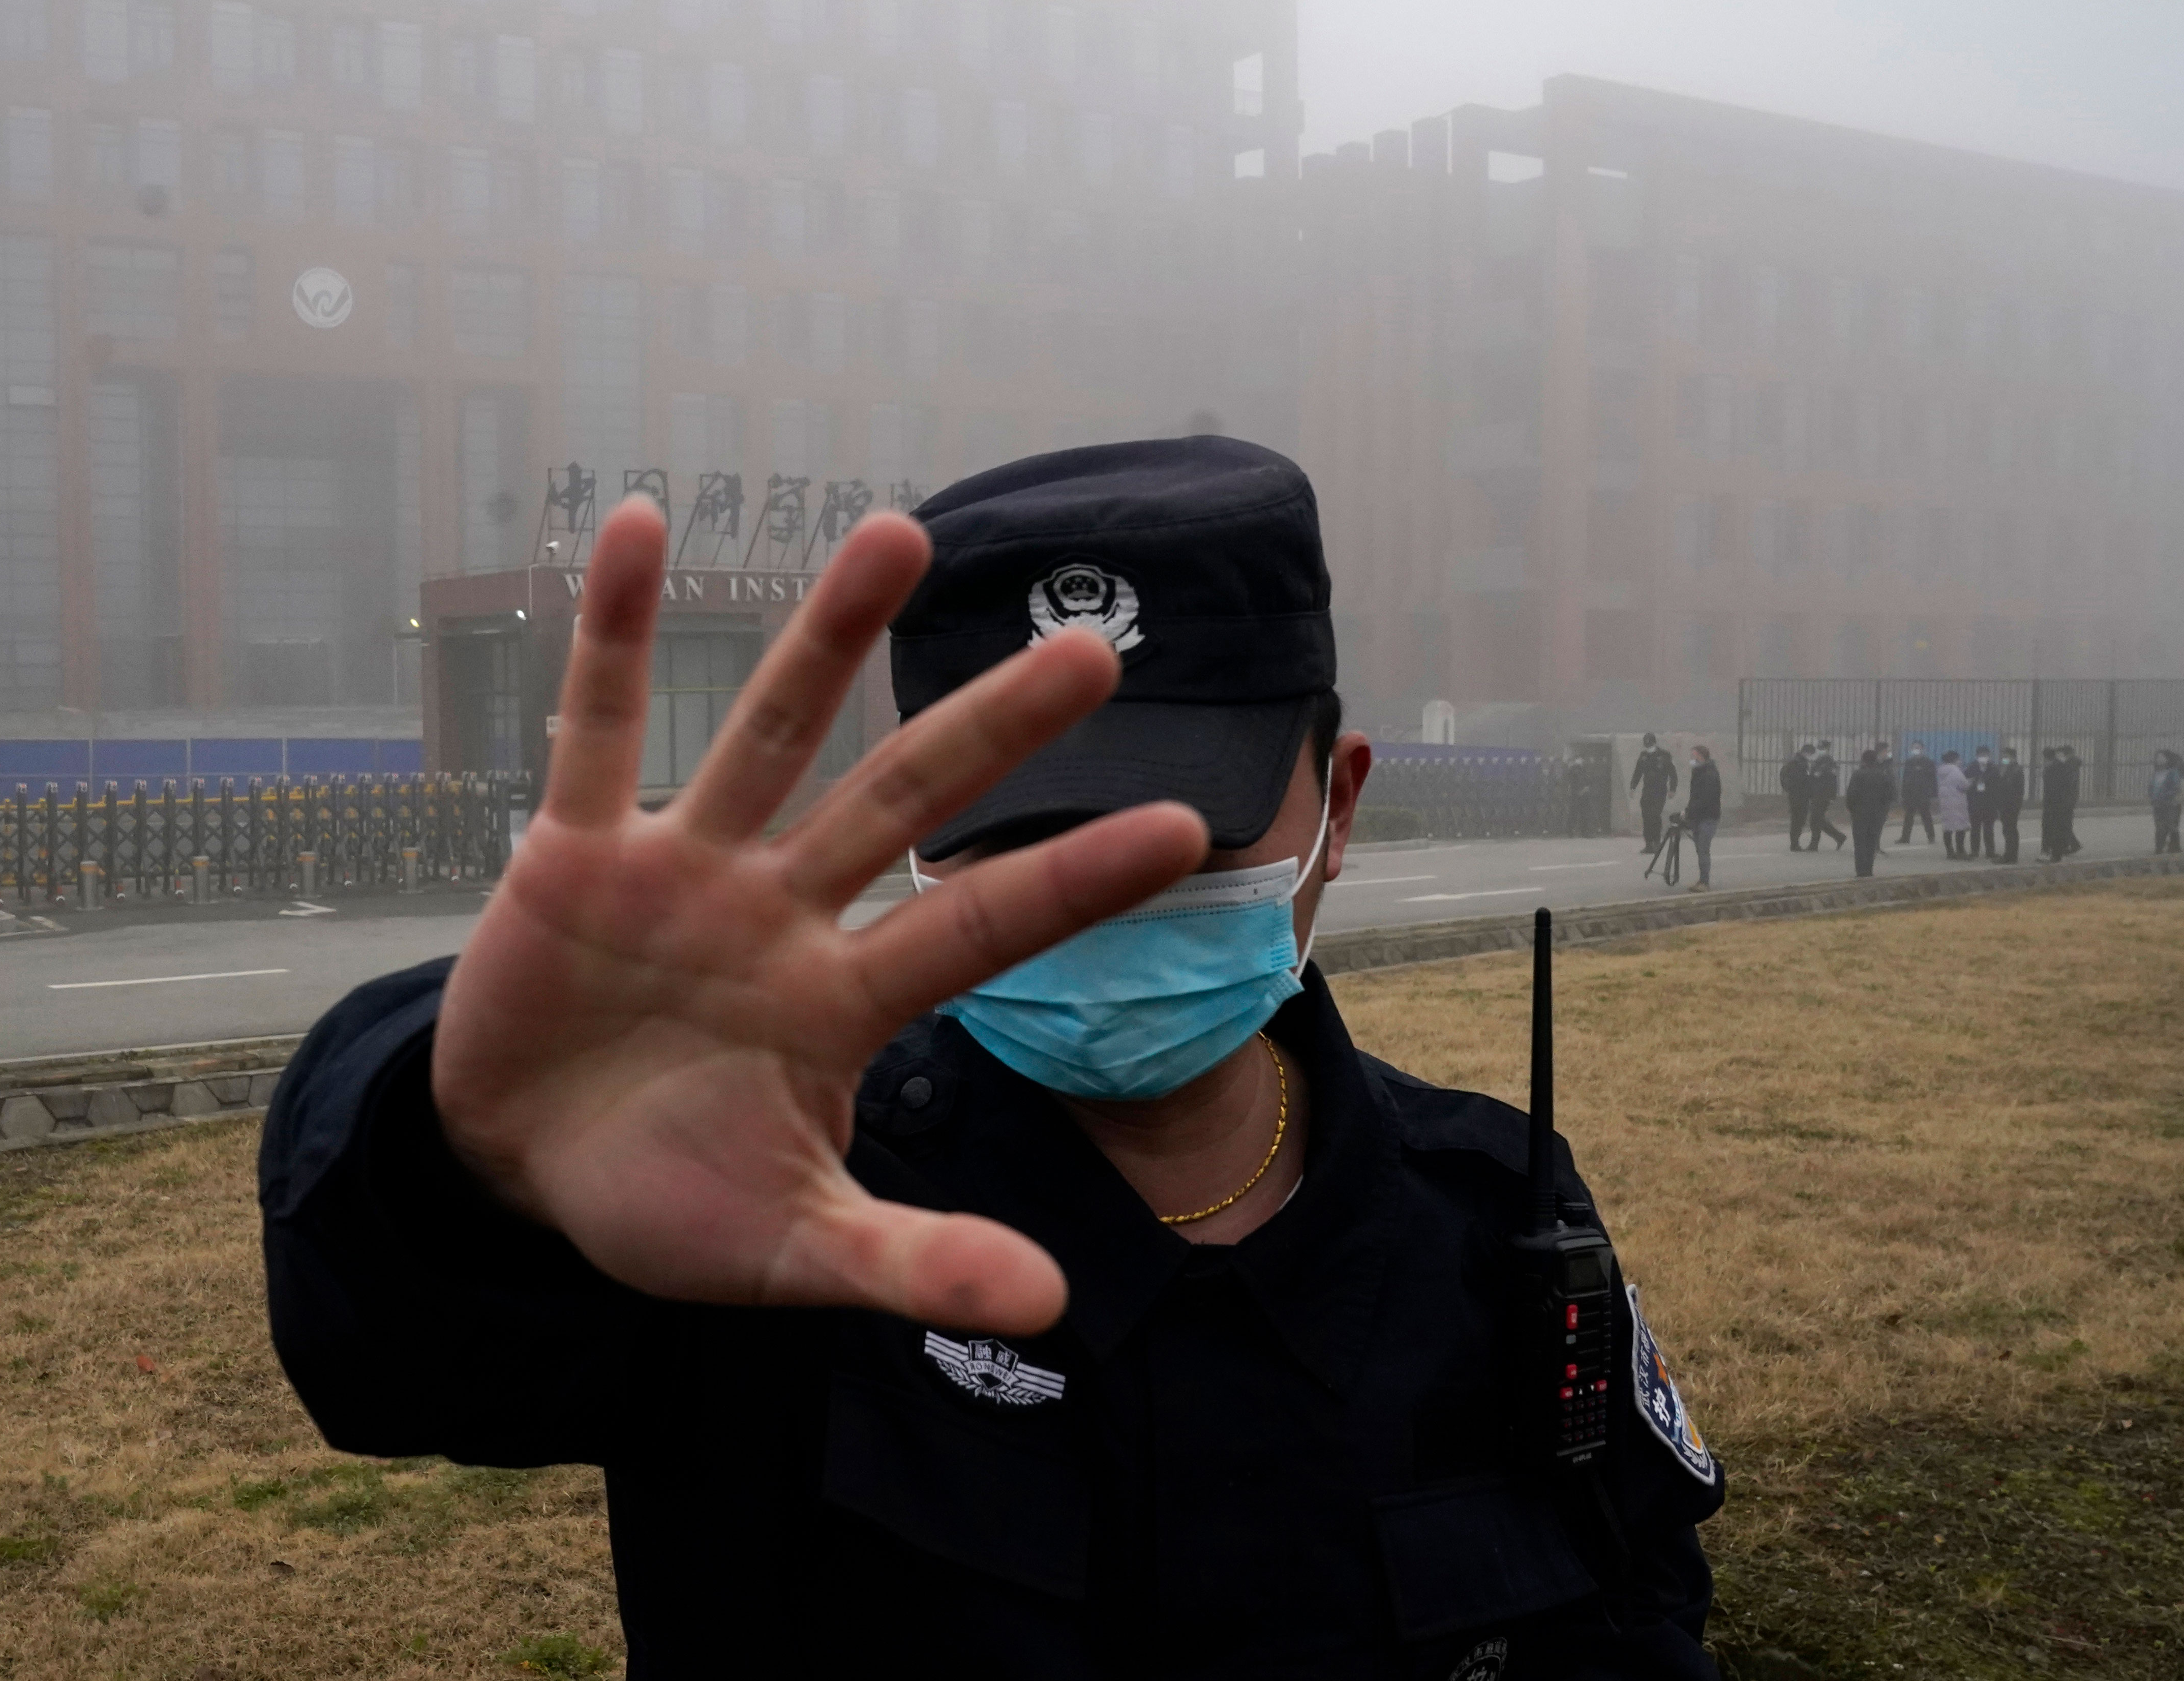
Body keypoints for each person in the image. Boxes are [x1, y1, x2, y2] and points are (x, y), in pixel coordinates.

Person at [255, 440, 1723, 1677]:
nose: (1091, 885)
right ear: (918, 838)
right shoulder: (772, 1210)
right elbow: (388, 1359)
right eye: (1018, 821)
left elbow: (1642, 1609)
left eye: (1181, 819)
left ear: (1337, 804)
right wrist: (471, 1154)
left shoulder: (1489, 1217)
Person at [1843, 747, 1894, 877]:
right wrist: (1883, 808)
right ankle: (1869, 869)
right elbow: (1891, 794)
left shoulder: (1858, 774)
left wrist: (1851, 808)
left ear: (1864, 760)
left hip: (1860, 813)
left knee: (1860, 842)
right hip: (1877, 813)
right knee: (1872, 841)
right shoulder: (1883, 775)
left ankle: (1861, 870)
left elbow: (1851, 795)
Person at [1631, 732, 1679, 854]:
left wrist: (1672, 789)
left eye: (1650, 744)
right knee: (1646, 817)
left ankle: (1657, 843)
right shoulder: (1644, 756)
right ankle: (1648, 845)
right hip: (1647, 791)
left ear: (1655, 743)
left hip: (1660, 791)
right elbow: (1638, 773)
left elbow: (1673, 773)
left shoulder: (1664, 755)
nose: (1648, 747)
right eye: (1647, 745)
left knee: (1655, 816)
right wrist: (1633, 787)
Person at [1687, 743, 1722, 891]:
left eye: (1693, 755)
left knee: (1703, 850)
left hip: (1707, 817)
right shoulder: (1700, 772)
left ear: (1699, 756)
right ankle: (1702, 880)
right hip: (1700, 817)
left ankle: (1705, 883)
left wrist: (1690, 811)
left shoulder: (1708, 775)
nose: (1691, 758)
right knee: (1701, 850)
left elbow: (1704, 799)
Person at [2041, 745, 2082, 862]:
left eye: (2061, 755)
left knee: (2062, 825)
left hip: (2065, 800)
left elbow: (2067, 785)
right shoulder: (2067, 765)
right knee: (2063, 824)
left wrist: (2065, 799)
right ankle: (2069, 845)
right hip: (2066, 799)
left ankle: (2062, 848)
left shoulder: (2069, 766)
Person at [1805, 743, 1848, 852]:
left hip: (1823, 795)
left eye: (1822, 749)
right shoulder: (1821, 760)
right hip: (1817, 794)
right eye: (1819, 748)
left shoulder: (1828, 762)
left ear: (1827, 750)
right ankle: (1839, 837)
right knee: (1817, 819)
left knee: (1815, 819)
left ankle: (1815, 844)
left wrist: (1831, 796)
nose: (1820, 751)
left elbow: (1831, 781)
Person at [1899, 740, 1938, 846]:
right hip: (1911, 794)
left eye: (1918, 748)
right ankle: (1905, 838)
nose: (1916, 750)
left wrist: (1934, 795)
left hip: (1923, 794)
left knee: (1926, 816)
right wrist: (1904, 794)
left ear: (1923, 749)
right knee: (1909, 816)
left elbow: (1933, 780)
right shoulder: (1909, 762)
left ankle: (1931, 836)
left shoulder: (1928, 763)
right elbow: (1905, 779)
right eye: (1914, 748)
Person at [2151, 749, 2184, 853]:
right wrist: (2153, 798)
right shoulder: (2157, 773)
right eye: (2157, 757)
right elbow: (2152, 787)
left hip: (2171, 803)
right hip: (2159, 803)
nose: (2158, 759)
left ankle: (2172, 847)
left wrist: (2164, 797)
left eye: (2161, 757)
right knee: (2161, 826)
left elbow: (2175, 788)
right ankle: (2162, 848)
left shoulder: (2173, 773)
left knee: (2170, 826)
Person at [1992, 748, 2026, 864]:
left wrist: (2002, 776)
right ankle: (2009, 855)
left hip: (2011, 805)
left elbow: (2010, 789)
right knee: (2008, 830)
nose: (2003, 759)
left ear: (2012, 757)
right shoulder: (2008, 770)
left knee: (2010, 830)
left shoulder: (2016, 770)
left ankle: (2011, 856)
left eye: (2005, 757)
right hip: (2006, 805)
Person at [1936, 751, 1972, 859]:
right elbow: (1964, 786)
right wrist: (1971, 782)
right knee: (1960, 826)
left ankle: (1950, 852)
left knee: (1947, 827)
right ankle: (1960, 851)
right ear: (1955, 760)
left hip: (1945, 802)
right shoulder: (1956, 771)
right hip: (1957, 802)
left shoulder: (1941, 771)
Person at [1781, 742, 1815, 850]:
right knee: (1798, 820)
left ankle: (1795, 843)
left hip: (1796, 795)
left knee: (1797, 819)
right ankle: (1795, 844)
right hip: (1800, 795)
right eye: (1811, 754)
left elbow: (1784, 774)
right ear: (1807, 752)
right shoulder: (1800, 763)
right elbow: (1801, 780)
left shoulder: (1795, 761)